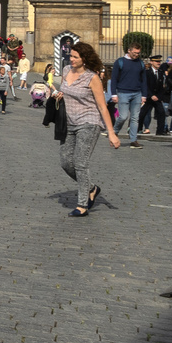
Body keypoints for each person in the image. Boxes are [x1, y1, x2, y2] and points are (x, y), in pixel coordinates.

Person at [54, 41, 120, 216]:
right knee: (65, 162)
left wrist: (111, 133)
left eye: (76, 57)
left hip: (89, 122)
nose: (72, 59)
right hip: (68, 122)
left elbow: (102, 106)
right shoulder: (66, 71)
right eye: (71, 55)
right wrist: (59, 95)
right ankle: (91, 188)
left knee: (80, 163)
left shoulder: (92, 78)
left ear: (84, 58)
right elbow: (65, 91)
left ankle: (82, 205)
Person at [107, 42, 147, 149]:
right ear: (129, 51)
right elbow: (114, 79)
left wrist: (144, 95)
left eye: (138, 53)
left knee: (135, 118)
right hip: (123, 92)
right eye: (134, 53)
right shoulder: (120, 62)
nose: (136, 55)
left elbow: (144, 80)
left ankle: (133, 140)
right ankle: (114, 131)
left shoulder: (140, 63)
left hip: (137, 93)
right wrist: (114, 94)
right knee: (123, 116)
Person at [140, 56, 171, 136]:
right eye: (156, 61)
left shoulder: (161, 72)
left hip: (157, 97)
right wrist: (150, 95)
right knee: (142, 113)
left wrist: (159, 96)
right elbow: (145, 85)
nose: (158, 63)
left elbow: (163, 86)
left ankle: (160, 131)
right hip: (148, 97)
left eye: (159, 61)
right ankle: (138, 129)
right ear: (151, 62)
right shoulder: (146, 72)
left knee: (161, 112)